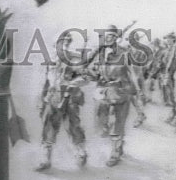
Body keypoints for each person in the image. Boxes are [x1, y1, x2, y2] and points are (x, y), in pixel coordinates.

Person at [88, 24, 145, 167]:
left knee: (118, 123)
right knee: (101, 124)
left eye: (112, 36)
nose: (109, 38)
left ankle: (115, 152)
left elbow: (134, 73)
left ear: (116, 38)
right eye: (107, 36)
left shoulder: (124, 53)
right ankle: (119, 143)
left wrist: (138, 91)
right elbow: (94, 71)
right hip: (103, 92)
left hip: (121, 91)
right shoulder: (100, 54)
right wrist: (90, 74)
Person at [35, 32, 87, 171]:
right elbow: (44, 82)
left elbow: (85, 77)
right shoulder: (50, 61)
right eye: (60, 43)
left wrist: (72, 83)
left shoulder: (75, 59)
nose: (63, 45)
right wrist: (41, 99)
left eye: (66, 42)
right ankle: (46, 159)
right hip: (54, 97)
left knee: (73, 126)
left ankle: (80, 152)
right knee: (49, 127)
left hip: (70, 97)